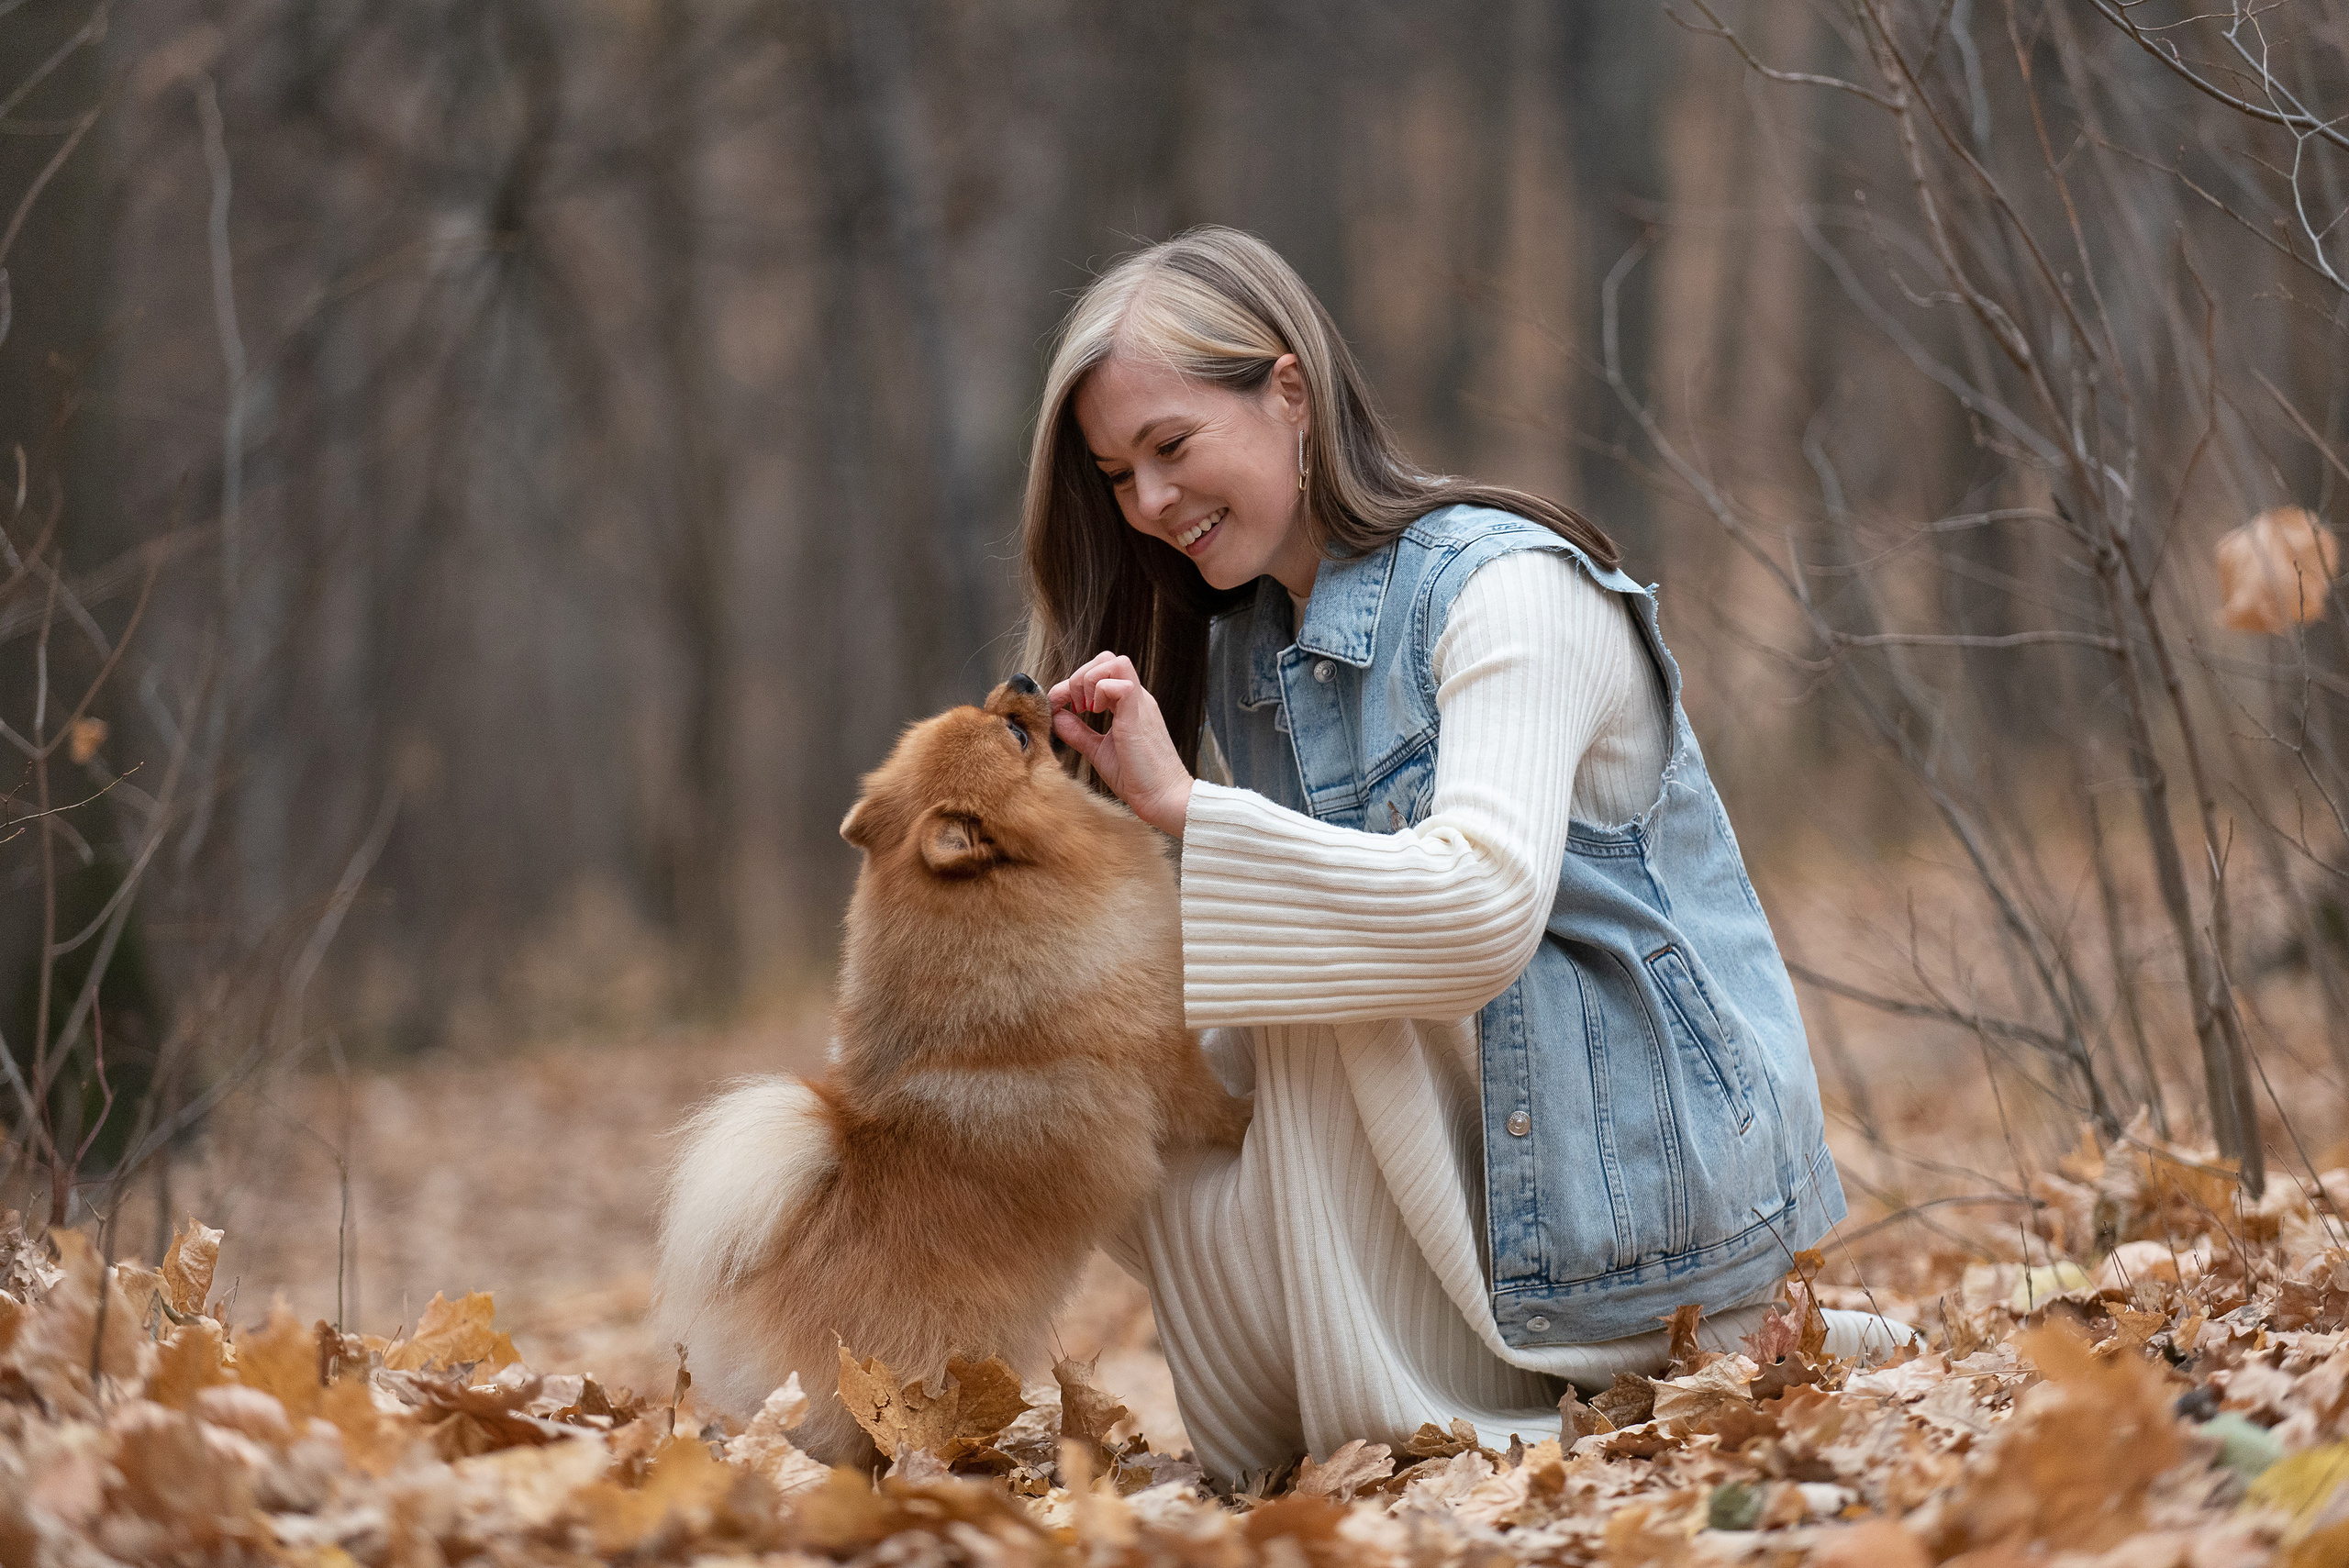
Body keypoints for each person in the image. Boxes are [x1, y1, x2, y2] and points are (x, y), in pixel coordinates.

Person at [1018, 227, 1901, 1481]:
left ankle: (1417, 1403)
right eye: (1118, 474)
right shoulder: (1254, 653)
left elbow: (1479, 911)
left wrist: (1188, 812)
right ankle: (1344, 1406)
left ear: (1289, 394)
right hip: (1487, 1181)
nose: (1150, 503)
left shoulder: (1507, 592)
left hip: (1636, 1213)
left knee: (1309, 980)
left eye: (1172, 446)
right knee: (1108, 1076)